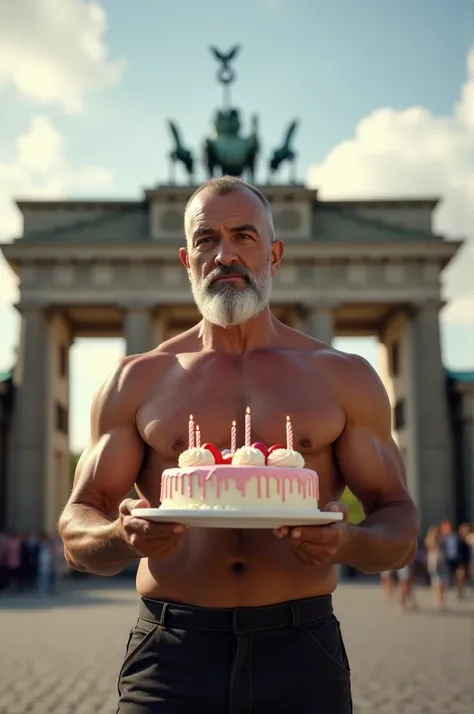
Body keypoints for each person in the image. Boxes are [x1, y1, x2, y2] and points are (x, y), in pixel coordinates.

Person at [59, 176, 419, 714]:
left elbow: (401, 526)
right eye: (207, 239)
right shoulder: (136, 380)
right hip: (171, 649)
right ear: (187, 260)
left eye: (244, 236)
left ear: (274, 254)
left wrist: (345, 543)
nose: (225, 254)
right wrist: (122, 535)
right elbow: (76, 528)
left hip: (301, 645)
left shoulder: (342, 377)